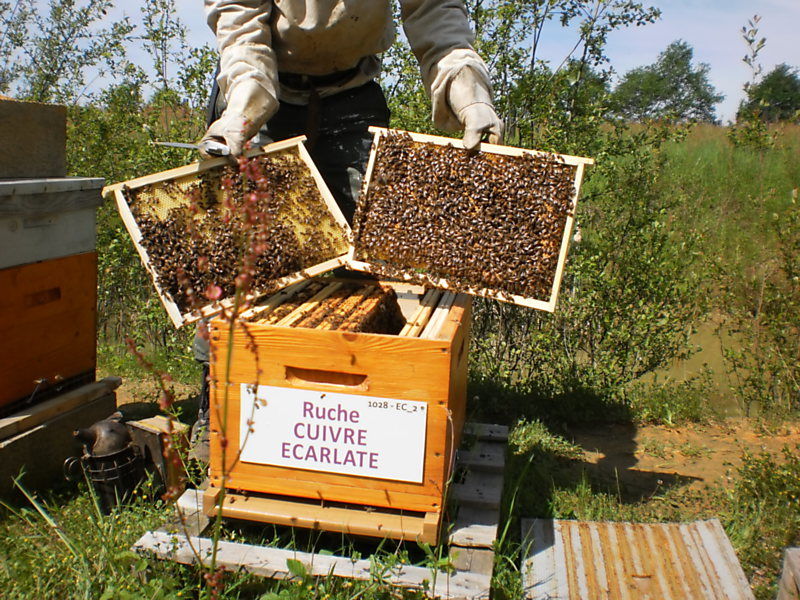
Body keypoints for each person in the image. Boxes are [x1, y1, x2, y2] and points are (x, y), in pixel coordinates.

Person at [190, 0, 504, 460]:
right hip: (258, 89)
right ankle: (216, 407)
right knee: (238, 263)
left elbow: (436, 15)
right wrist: (242, 110)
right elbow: (240, 25)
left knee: (366, 262)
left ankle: (360, 410)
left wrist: (471, 96)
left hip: (352, 95)